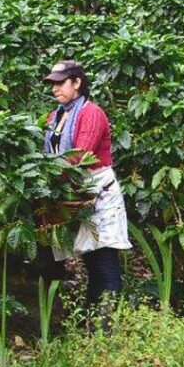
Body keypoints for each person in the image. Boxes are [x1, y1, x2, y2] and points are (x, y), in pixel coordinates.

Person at [42, 60, 131, 309]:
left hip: (97, 191)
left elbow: (80, 156)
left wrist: (47, 179)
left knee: (103, 260)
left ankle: (108, 323)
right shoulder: (56, 115)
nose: (55, 89)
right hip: (73, 191)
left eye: (60, 83)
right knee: (90, 261)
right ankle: (94, 325)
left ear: (77, 83)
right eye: (53, 84)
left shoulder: (91, 113)